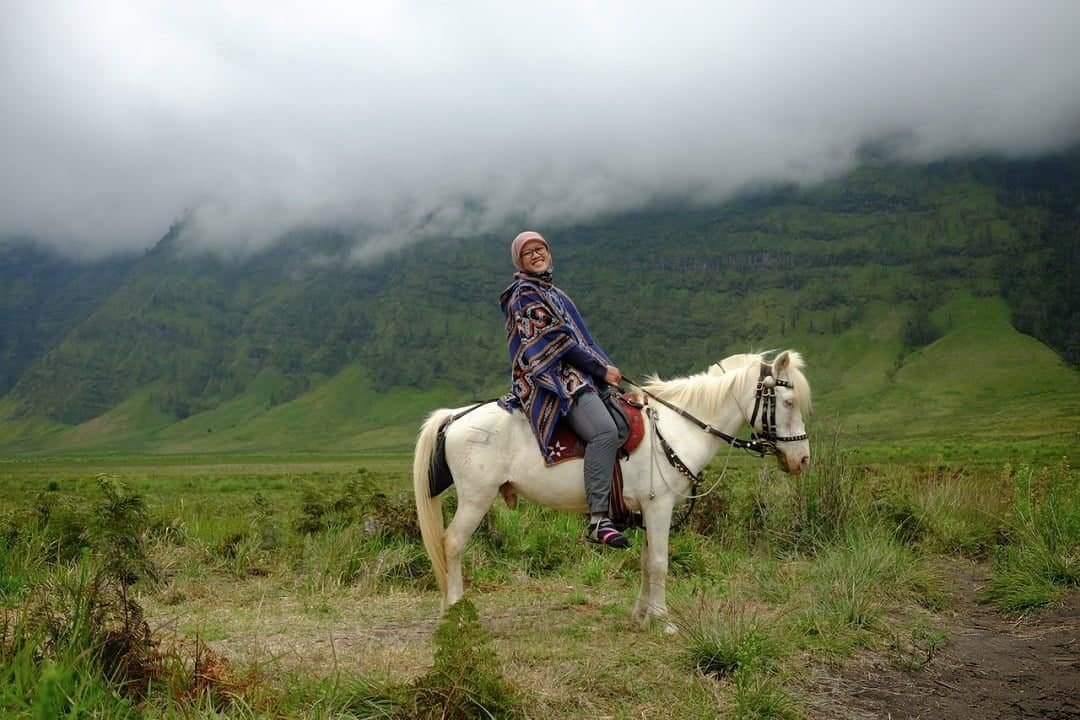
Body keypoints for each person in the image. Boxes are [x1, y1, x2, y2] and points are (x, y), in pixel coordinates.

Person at [498, 230, 631, 548]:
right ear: (519, 260)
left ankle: (624, 506)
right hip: (551, 378)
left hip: (580, 374)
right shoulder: (524, 294)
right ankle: (599, 520)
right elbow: (560, 345)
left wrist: (608, 371)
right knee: (603, 432)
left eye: (540, 248)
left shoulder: (556, 294)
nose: (536, 255)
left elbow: (586, 341)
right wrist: (600, 370)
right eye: (527, 252)